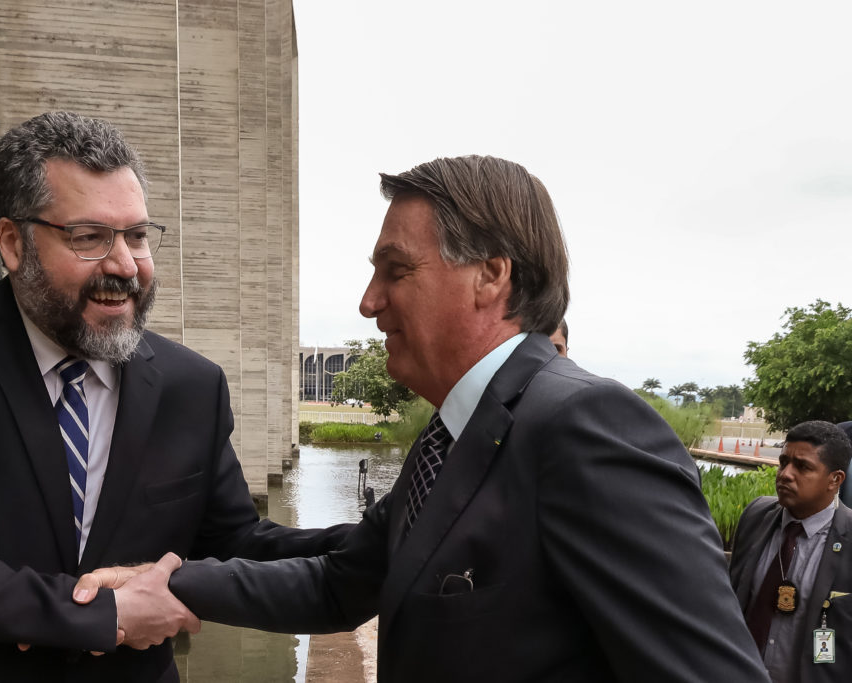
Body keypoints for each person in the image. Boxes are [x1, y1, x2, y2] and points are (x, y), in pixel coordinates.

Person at [77, 155, 771, 682]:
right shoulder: (452, 437)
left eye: (395, 269)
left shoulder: (586, 426)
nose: (368, 301)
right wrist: (163, 580)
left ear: (490, 276)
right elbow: (338, 581)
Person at [0, 111, 349, 682]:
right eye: (89, 238)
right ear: (13, 243)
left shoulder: (192, 386)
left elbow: (235, 544)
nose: (125, 265)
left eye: (136, 235)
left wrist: (394, 535)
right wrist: (100, 614)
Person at [729, 420, 852, 682]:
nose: (785, 474)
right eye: (784, 461)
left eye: (803, 467)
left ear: (835, 479)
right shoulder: (756, 515)